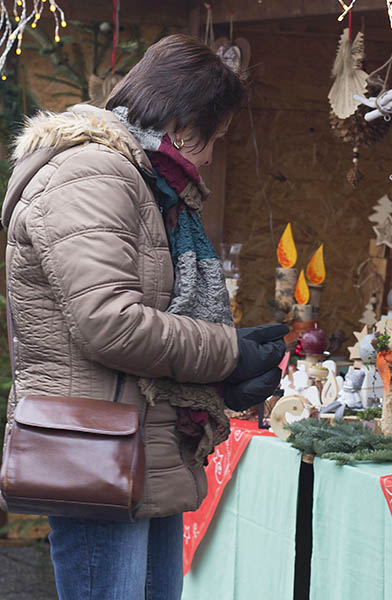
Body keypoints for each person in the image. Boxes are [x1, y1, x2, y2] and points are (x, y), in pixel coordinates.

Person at [0, 35, 285, 599]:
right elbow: (109, 322)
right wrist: (224, 351)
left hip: (136, 446)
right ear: (182, 126)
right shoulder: (92, 172)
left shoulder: (135, 180)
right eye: (214, 140)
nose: (209, 158)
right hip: (95, 452)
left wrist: (219, 369)